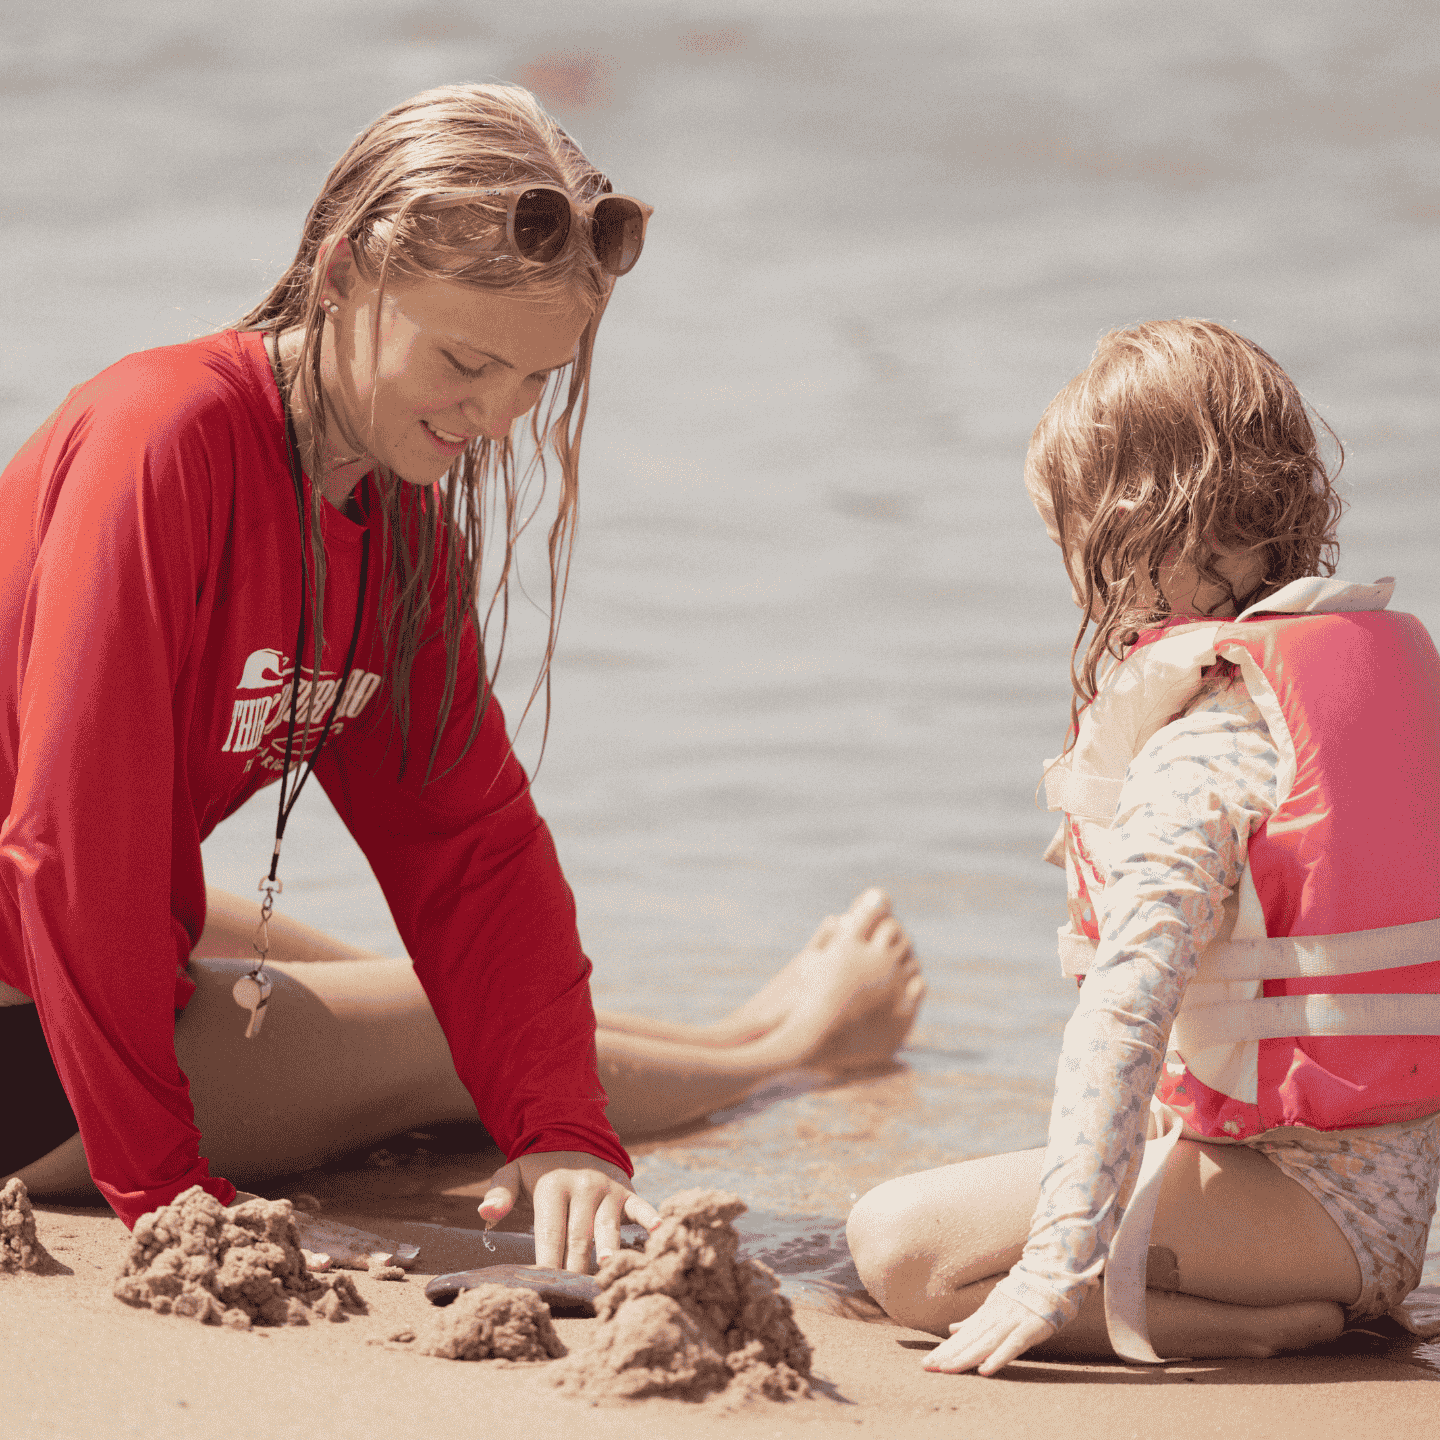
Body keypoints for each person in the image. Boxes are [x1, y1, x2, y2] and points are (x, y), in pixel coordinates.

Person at [0, 83, 924, 1273]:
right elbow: (72, 851)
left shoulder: (393, 517)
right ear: (342, 272)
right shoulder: (162, 434)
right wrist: (172, 1197)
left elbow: (467, 848)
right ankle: (786, 1051)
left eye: (535, 380)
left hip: (30, 911)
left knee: (417, 986)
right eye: (466, 361)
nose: (492, 417)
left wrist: (561, 1127)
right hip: (22, 1003)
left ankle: (726, 1031)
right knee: (439, 1033)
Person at [847, 319, 1440, 1371]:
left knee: (898, 1248)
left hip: (1311, 1220)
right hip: (1375, 1203)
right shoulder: (1348, 690)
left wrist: (1054, 1264)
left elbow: (1127, 1012)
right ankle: (1293, 1294)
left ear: (1139, 532)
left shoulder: (1206, 749)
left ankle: (1255, 1328)